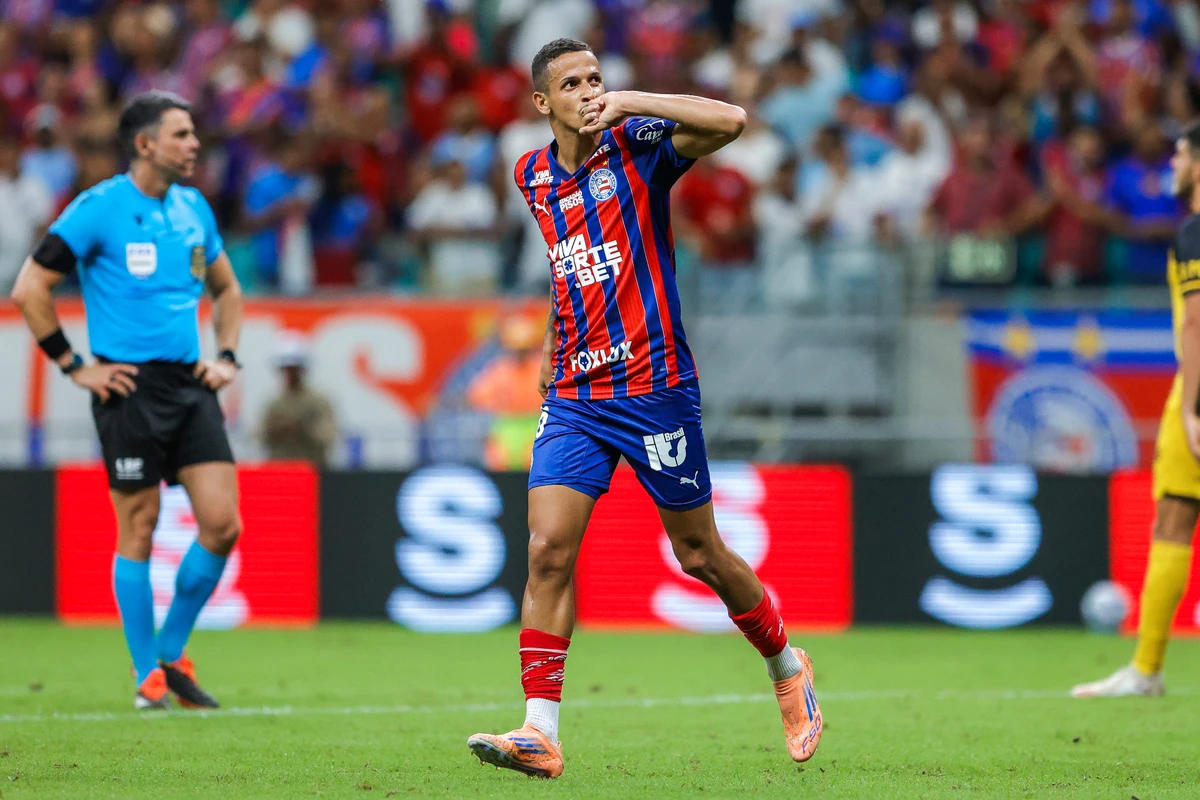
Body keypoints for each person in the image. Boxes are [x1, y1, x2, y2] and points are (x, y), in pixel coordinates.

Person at [466, 38, 822, 778]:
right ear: (543, 105)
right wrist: (550, 346)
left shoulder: (637, 144)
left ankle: (786, 662)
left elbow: (729, 121)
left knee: (700, 554)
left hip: (654, 387)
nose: (591, 89)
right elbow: (573, 268)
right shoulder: (531, 174)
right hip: (575, 395)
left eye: (598, 77)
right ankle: (540, 730)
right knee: (546, 551)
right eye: (574, 83)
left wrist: (632, 101)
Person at [9, 91, 244, 711]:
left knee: (223, 524)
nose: (194, 144)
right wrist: (74, 366)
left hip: (189, 385)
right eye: (182, 134)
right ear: (145, 145)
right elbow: (30, 287)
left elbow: (227, 290)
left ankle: (171, 651)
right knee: (137, 526)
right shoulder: (98, 208)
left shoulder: (194, 208)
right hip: (127, 388)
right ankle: (149, 676)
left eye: (193, 133)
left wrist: (226, 357)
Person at [1072, 122, 1200, 698]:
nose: (1173, 164)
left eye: (1181, 154)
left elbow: (1197, 321)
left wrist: (1193, 406)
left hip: (1196, 391)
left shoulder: (1195, 232)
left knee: (1174, 515)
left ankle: (1146, 670)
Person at [259, 335, 337, 467]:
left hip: (311, 468)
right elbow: (259, 436)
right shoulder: (274, 403)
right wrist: (277, 429)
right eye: (286, 369)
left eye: (294, 369)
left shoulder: (317, 401)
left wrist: (302, 427)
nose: (290, 374)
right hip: (281, 470)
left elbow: (327, 437)